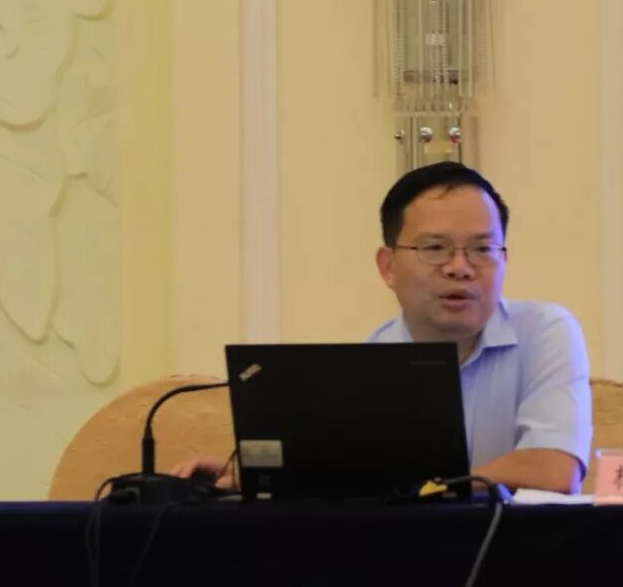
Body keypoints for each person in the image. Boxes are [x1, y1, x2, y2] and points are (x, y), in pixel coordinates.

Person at [174, 161, 592, 493]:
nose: (460, 268)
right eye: (435, 248)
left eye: (483, 249)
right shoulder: (374, 357)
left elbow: (553, 470)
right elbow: (348, 478)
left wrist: (419, 486)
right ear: (388, 266)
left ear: (504, 260)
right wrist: (249, 476)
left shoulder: (545, 331)